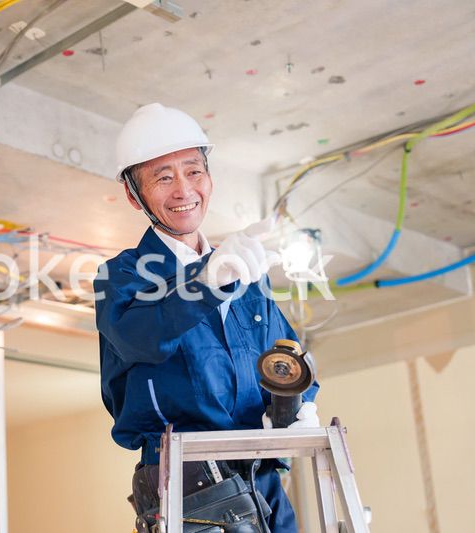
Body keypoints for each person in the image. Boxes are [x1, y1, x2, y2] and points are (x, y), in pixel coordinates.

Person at [94, 103, 319, 532]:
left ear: (209, 176)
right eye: (163, 177)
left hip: (260, 469)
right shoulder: (121, 275)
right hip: (189, 481)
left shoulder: (245, 272)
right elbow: (138, 338)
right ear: (132, 194)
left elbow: (286, 355)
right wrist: (205, 282)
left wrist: (298, 403)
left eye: (193, 171)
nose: (183, 190)